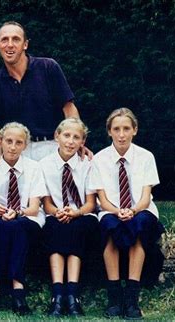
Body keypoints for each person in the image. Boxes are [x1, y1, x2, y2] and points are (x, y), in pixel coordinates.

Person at [0, 21, 91, 161]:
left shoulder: (48, 68)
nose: (10, 44)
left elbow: (68, 108)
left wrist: (75, 142)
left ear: (25, 44)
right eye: (4, 40)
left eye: (16, 39)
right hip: (18, 153)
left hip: (52, 148)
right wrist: (1, 160)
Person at [89, 108, 165, 319]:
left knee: (139, 226)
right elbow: (102, 199)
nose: (121, 134)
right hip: (110, 209)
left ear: (135, 130)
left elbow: (145, 196)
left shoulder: (145, 156)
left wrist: (132, 210)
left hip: (140, 209)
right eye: (116, 129)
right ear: (109, 132)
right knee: (109, 227)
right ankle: (114, 297)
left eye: (126, 129)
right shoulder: (99, 159)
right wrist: (117, 211)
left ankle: (132, 298)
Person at [0, 122, 47, 316]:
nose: (13, 146)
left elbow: (33, 208)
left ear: (25, 145)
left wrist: (17, 213)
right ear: (0, 142)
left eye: (18, 142)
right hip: (1, 219)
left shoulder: (33, 168)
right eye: (9, 141)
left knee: (18, 227)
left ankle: (18, 289)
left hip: (26, 218)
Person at [40, 118, 98, 317]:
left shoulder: (87, 165)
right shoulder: (44, 165)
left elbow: (91, 203)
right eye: (66, 135)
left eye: (76, 137)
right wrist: (58, 212)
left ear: (83, 142)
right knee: (54, 227)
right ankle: (57, 295)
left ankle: (73, 294)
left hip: (82, 213)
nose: (70, 141)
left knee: (77, 228)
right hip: (56, 213)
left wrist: (76, 212)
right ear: (57, 136)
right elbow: (46, 202)